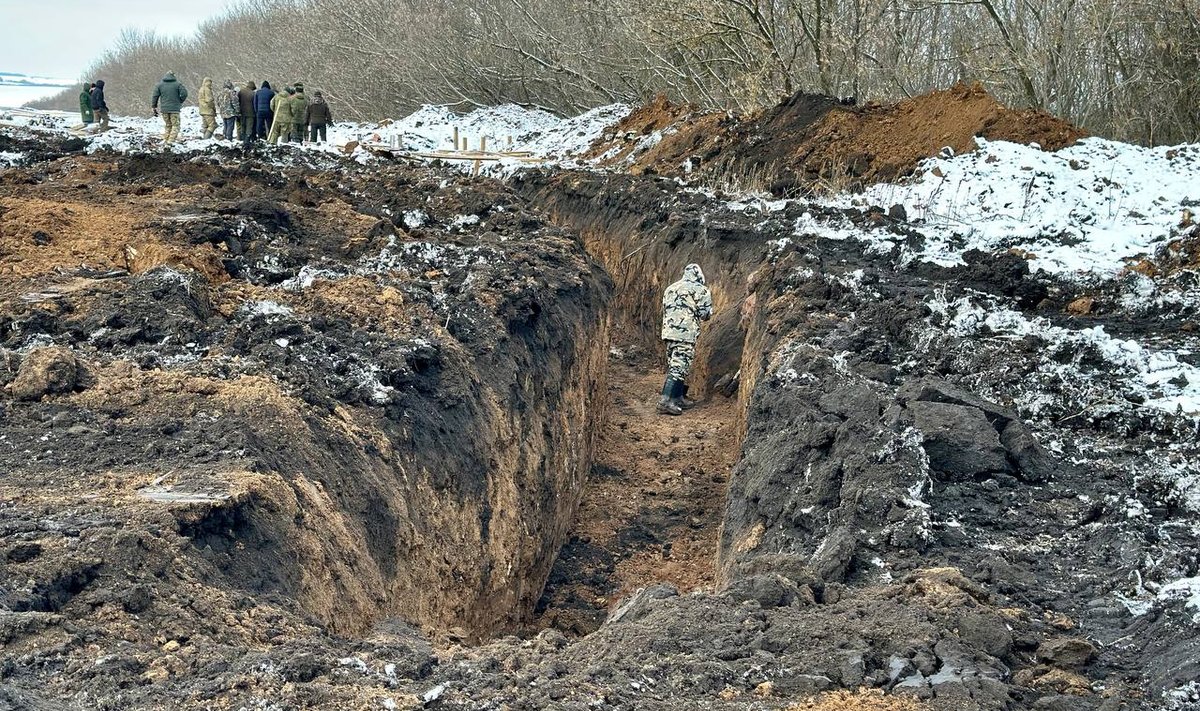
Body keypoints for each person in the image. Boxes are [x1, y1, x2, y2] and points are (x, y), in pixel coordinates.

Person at [658, 263, 712, 415]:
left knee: (676, 365)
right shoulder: (700, 290)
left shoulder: (670, 288)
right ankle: (665, 402)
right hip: (685, 334)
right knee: (679, 367)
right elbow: (705, 314)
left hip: (668, 333)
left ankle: (677, 397)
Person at [151, 71, 189, 144]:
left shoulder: (159, 85)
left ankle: (166, 140)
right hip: (174, 109)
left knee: (168, 125)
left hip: (164, 109)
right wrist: (180, 100)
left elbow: (155, 96)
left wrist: (154, 106)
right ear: (174, 76)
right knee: (175, 125)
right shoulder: (178, 84)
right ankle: (170, 142)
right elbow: (184, 93)